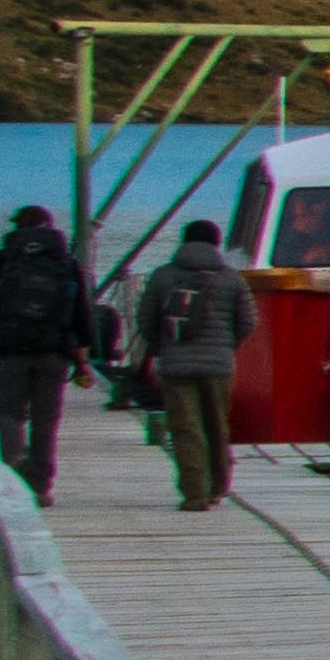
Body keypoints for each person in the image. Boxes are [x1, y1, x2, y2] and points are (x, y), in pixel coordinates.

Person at [0, 205, 91, 495]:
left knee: (9, 413)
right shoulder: (66, 263)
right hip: (54, 352)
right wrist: (81, 359)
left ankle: (12, 478)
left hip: (6, 350)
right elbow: (82, 316)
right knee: (45, 419)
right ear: (49, 226)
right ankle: (41, 486)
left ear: (15, 228)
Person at [138, 215, 255, 511]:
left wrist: (161, 347)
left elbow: (146, 319)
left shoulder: (163, 276)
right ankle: (217, 488)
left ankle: (195, 493)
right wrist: (228, 345)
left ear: (184, 241)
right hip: (217, 365)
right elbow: (248, 322)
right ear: (216, 243)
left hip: (175, 365)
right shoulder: (231, 278)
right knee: (216, 425)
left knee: (186, 428)